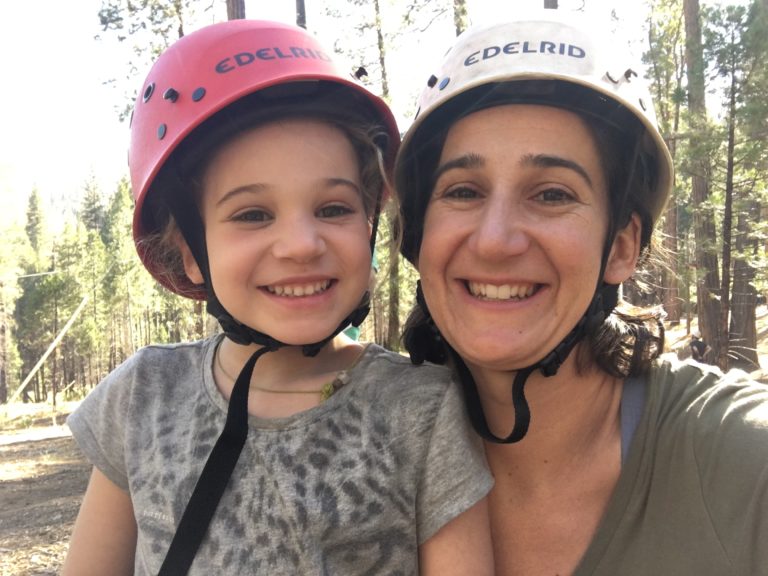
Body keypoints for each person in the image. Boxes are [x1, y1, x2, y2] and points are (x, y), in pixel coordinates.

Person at [63, 20, 493, 576]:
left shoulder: (422, 411)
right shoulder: (143, 396)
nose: (301, 245)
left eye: (333, 208)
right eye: (253, 215)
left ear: (367, 223)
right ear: (190, 250)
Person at [396, 11, 768, 576]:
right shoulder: (362, 451)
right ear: (418, 237)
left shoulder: (740, 463)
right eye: (463, 191)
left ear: (620, 247)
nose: (494, 240)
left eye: (551, 194)